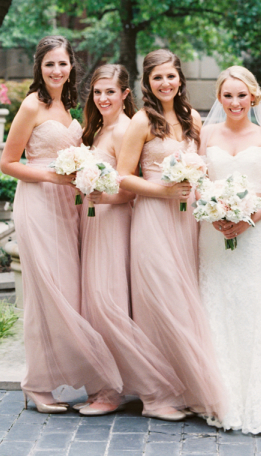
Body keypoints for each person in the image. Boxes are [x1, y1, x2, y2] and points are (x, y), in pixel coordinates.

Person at [0, 36, 121, 413]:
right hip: (38, 203)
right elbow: (8, 163)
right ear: (39, 67)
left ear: (72, 67)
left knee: (67, 291)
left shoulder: (68, 108)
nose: (56, 70)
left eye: (62, 63)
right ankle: (38, 385)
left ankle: (62, 378)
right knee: (47, 293)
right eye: (49, 64)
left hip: (68, 207)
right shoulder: (31, 105)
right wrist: (54, 176)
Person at [117, 49, 223, 420]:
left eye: (170, 76)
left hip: (186, 220)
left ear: (180, 79)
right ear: (147, 83)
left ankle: (184, 387)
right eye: (157, 77)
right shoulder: (142, 120)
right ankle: (155, 396)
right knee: (159, 301)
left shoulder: (192, 117)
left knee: (185, 300)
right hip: (153, 219)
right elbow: (123, 176)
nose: (165, 83)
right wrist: (162, 190)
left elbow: (206, 168)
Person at [77, 64, 183, 418]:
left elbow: (128, 188)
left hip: (114, 223)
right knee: (98, 306)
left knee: (110, 306)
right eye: (97, 92)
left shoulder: (125, 128)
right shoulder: (97, 130)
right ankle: (109, 387)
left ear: (125, 94)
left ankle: (146, 392)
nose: (103, 98)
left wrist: (102, 196)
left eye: (110, 91)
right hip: (95, 223)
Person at [198, 66, 261, 436]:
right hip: (214, 232)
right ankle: (223, 397)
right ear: (219, 98)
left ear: (254, 97)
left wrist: (249, 218)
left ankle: (258, 398)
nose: (235, 102)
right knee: (218, 304)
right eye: (228, 95)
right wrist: (213, 212)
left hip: (256, 233)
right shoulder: (206, 134)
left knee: (255, 304)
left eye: (242, 95)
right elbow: (197, 179)